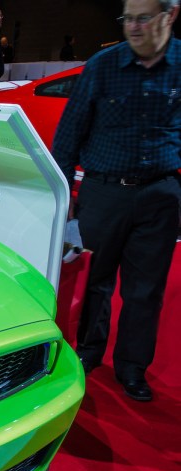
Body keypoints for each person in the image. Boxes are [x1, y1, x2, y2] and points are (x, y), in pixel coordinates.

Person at [51, 0, 180, 402]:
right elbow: (69, 133)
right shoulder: (103, 66)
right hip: (104, 193)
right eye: (128, 19)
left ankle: (132, 368)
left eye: (144, 18)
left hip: (160, 194)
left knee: (146, 290)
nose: (134, 27)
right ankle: (89, 353)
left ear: (169, 15)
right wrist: (61, 194)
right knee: (97, 282)